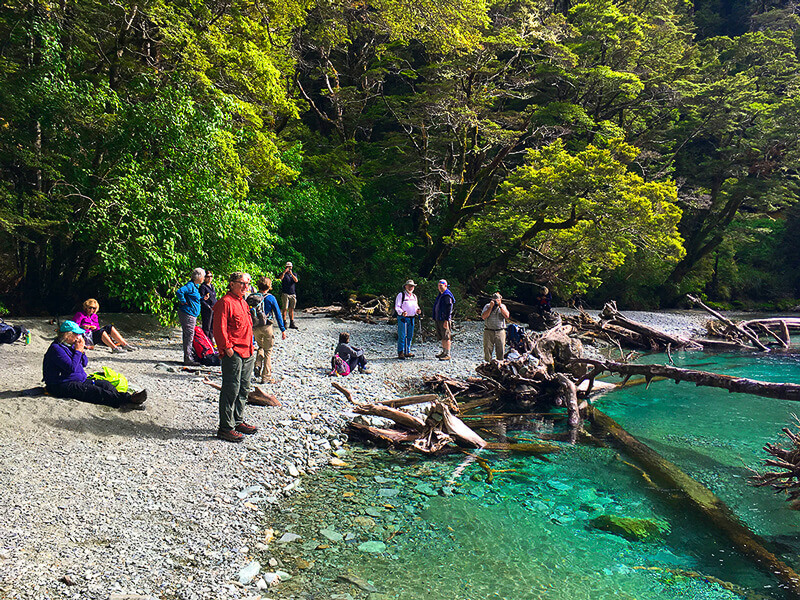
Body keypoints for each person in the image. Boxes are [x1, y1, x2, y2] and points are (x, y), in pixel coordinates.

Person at [42, 320, 147, 408]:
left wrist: (81, 351)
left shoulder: (70, 345)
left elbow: (84, 363)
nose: (80, 336)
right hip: (60, 385)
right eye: (77, 334)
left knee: (106, 384)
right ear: (67, 335)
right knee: (97, 392)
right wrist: (78, 351)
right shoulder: (56, 349)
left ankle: (125, 398)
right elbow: (71, 368)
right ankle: (128, 400)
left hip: (78, 380)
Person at [213, 271, 258, 443]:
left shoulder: (243, 302)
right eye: (242, 283)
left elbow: (247, 326)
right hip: (234, 352)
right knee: (231, 389)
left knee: (244, 388)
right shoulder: (225, 302)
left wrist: (251, 345)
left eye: (248, 283)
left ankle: (237, 421)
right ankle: (225, 428)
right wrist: (227, 348)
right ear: (232, 284)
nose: (246, 287)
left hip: (247, 351)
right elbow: (219, 328)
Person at [252, 276, 287, 385]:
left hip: (255, 327)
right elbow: (278, 314)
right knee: (268, 351)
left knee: (260, 346)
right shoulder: (271, 298)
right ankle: (266, 376)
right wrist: (283, 329)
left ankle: (257, 364)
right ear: (269, 286)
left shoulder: (252, 297)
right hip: (267, 327)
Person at [176, 268, 205, 365]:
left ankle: (190, 356)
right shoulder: (190, 286)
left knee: (189, 335)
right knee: (189, 335)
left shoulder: (195, 286)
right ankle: (188, 358)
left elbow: (194, 298)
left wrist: (202, 298)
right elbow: (179, 292)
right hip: (188, 313)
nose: (204, 278)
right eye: (203, 276)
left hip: (192, 313)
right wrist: (183, 301)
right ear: (199, 277)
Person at [394, 279, 421, 359]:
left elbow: (416, 306)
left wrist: (418, 311)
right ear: (405, 286)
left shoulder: (414, 296)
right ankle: (400, 352)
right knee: (402, 335)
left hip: (412, 317)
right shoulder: (401, 295)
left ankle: (407, 351)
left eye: (412, 286)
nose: (411, 287)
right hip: (403, 318)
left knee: (410, 335)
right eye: (409, 286)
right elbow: (397, 306)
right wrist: (402, 312)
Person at [481, 292, 511, 361]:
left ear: (500, 300)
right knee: (487, 350)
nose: (496, 302)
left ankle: (500, 365)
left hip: (500, 331)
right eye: (494, 300)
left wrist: (500, 306)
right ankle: (487, 365)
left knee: (501, 350)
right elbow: (483, 317)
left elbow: (507, 316)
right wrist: (491, 308)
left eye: (497, 300)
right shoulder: (487, 306)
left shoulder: (503, 306)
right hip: (488, 331)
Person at [432, 279, 455, 361]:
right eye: (438, 286)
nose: (439, 287)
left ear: (445, 285)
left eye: (441, 285)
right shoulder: (440, 295)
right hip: (439, 318)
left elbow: (449, 308)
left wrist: (446, 320)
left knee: (446, 336)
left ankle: (448, 353)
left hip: (444, 319)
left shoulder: (447, 295)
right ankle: (444, 352)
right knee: (442, 336)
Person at [280, 262, 299, 330]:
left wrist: (291, 274)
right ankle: (284, 322)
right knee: (285, 308)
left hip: (292, 293)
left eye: (290, 267)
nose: (288, 268)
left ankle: (292, 322)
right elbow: (280, 279)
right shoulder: (283, 274)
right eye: (287, 267)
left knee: (291, 309)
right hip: (285, 293)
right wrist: (284, 272)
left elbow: (296, 280)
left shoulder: (294, 274)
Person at [199, 271, 217, 342]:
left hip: (213, 308)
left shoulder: (212, 286)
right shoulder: (203, 287)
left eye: (211, 276)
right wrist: (208, 307)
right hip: (207, 309)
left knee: (212, 326)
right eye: (207, 277)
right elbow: (201, 299)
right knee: (207, 326)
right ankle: (205, 341)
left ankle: (211, 340)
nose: (209, 278)